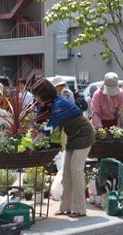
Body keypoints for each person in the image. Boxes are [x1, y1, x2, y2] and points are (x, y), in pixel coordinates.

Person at [31, 77, 95, 218]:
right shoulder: (51, 103)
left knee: (76, 171)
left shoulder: (59, 105)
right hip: (73, 137)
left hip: (84, 135)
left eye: (37, 96)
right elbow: (39, 117)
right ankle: (66, 207)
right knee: (66, 173)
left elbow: (48, 129)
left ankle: (80, 209)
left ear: (44, 95)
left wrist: (33, 143)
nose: (36, 98)